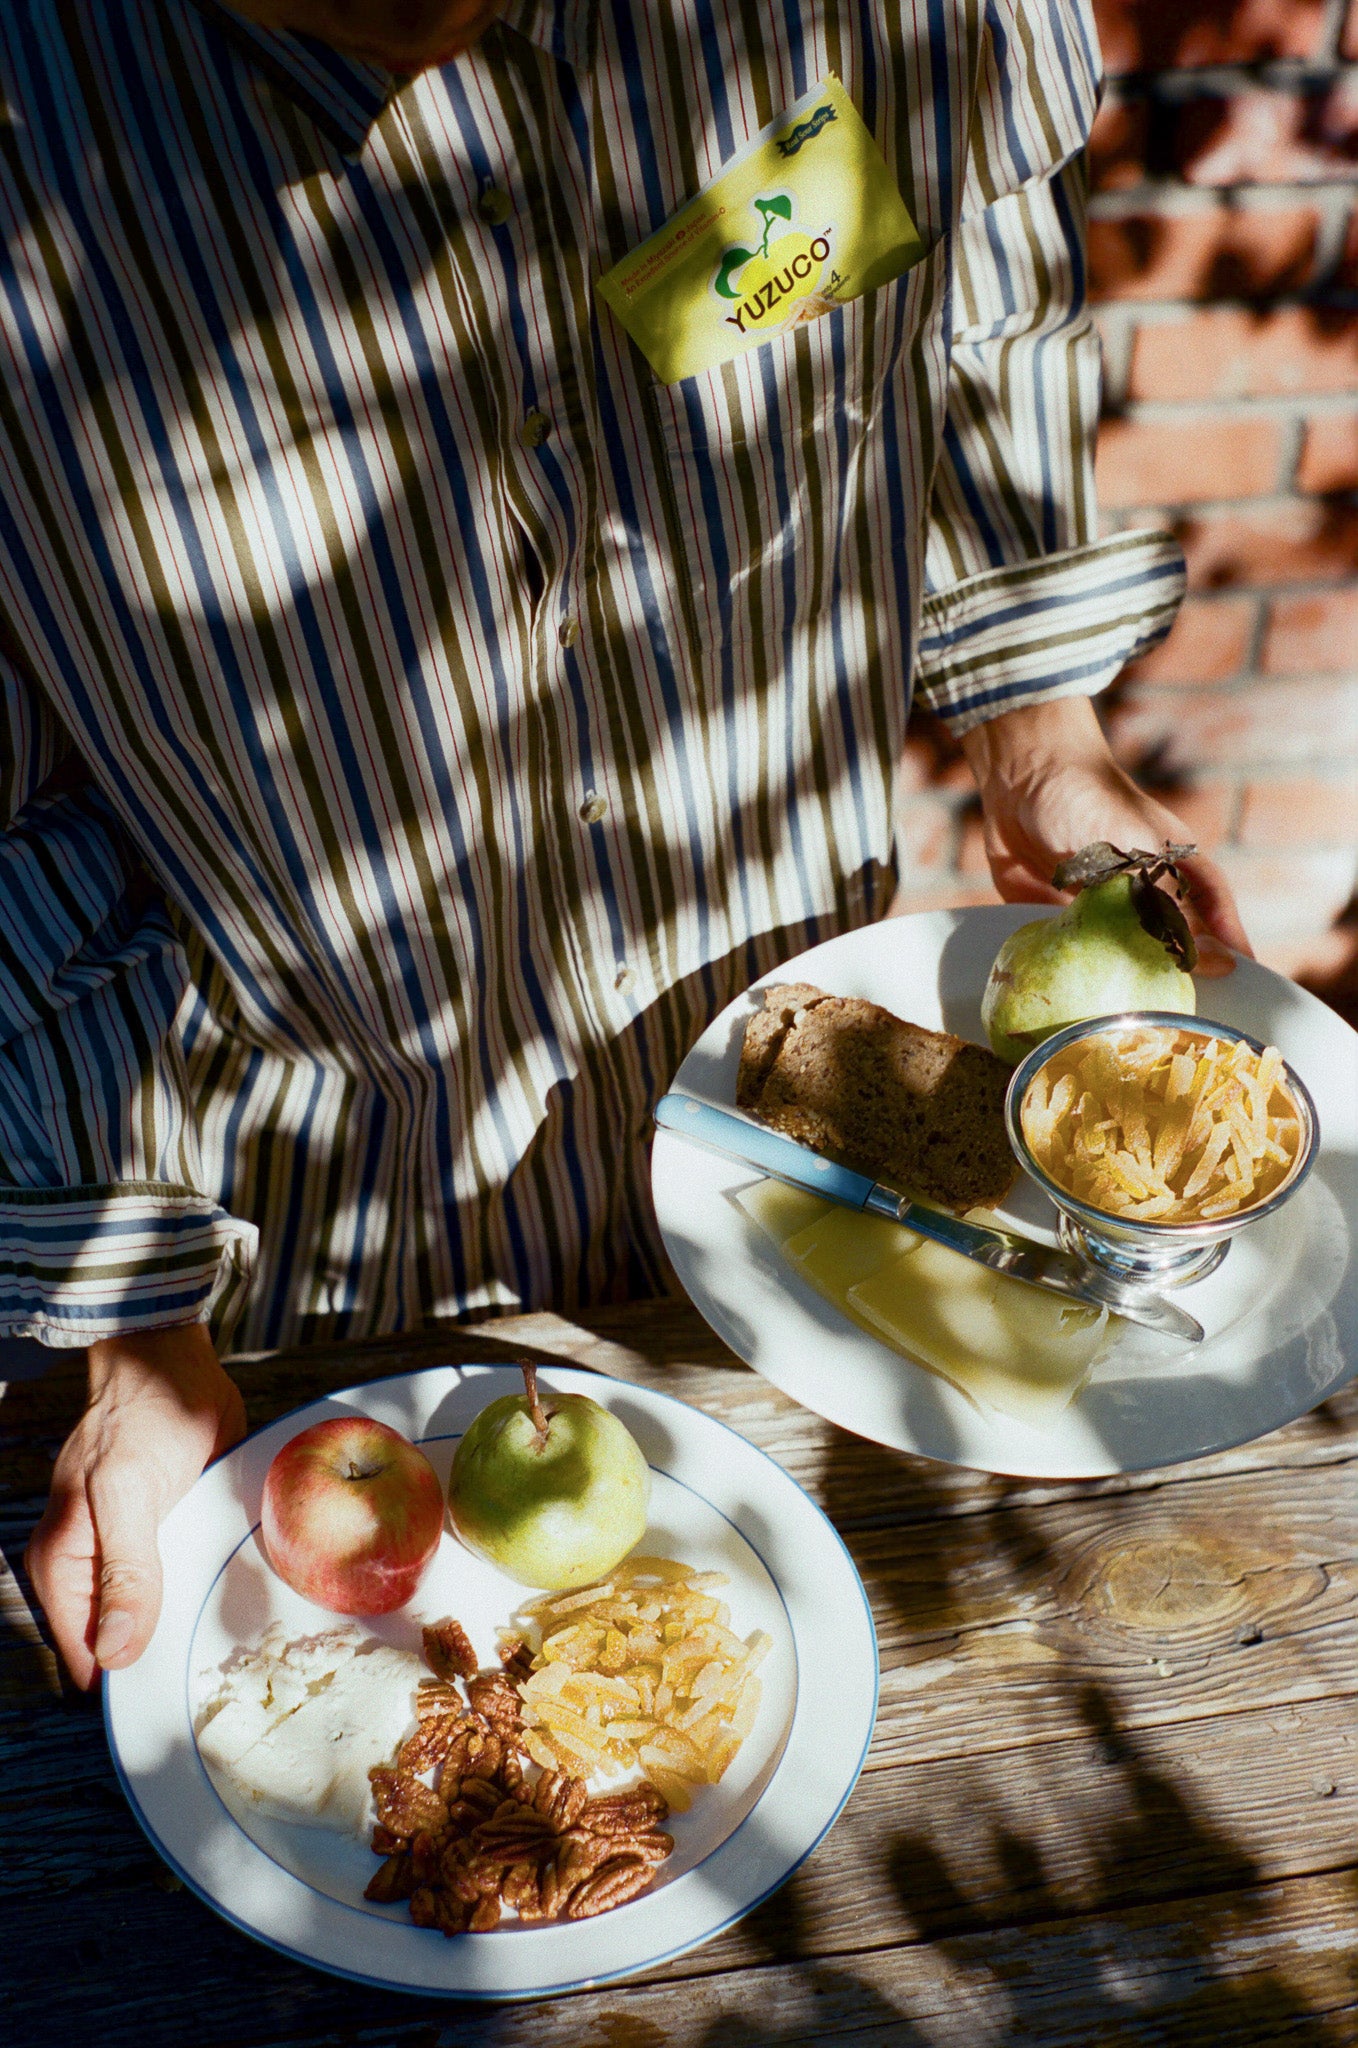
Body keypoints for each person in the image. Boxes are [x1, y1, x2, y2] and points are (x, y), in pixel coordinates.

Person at [4, 0, 1249, 1689]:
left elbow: (979, 249)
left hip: (793, 1150)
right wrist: (132, 1327)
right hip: (299, 1250)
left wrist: (1032, 721)